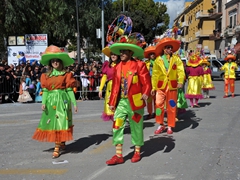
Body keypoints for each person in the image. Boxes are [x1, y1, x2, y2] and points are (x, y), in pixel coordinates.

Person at [106, 35, 152, 165]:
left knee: (136, 126)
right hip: (121, 102)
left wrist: (146, 92)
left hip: (135, 102)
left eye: (124, 52)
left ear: (131, 52)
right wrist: (112, 102)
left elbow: (146, 82)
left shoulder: (139, 65)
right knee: (117, 125)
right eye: (120, 51)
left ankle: (137, 152)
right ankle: (118, 155)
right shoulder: (117, 67)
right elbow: (115, 86)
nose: (121, 54)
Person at [32, 45, 78, 159]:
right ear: (50, 63)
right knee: (53, 123)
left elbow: (69, 90)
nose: (55, 62)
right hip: (51, 102)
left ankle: (57, 147)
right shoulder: (46, 76)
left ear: (61, 62)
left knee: (60, 122)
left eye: (57, 60)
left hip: (63, 101)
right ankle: (60, 142)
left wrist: (74, 103)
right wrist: (43, 102)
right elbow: (46, 90)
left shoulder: (67, 75)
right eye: (53, 60)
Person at [151, 37, 185, 135]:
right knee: (158, 105)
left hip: (172, 86)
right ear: (163, 49)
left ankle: (170, 125)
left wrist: (181, 81)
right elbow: (155, 75)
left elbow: (181, 71)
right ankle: (160, 124)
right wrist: (153, 87)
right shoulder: (158, 60)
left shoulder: (176, 59)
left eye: (170, 47)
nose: (169, 49)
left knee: (172, 106)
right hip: (161, 86)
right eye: (167, 47)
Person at [99, 45, 120, 121]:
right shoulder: (107, 65)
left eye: (115, 54)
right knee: (110, 108)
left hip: (119, 86)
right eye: (112, 54)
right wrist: (100, 89)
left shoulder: (121, 65)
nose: (113, 56)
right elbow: (104, 77)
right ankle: (116, 126)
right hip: (110, 87)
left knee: (118, 107)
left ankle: (119, 125)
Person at [143, 46, 156, 119]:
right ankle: (150, 113)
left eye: (153, 54)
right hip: (149, 82)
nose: (152, 55)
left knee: (156, 99)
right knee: (149, 99)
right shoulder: (146, 63)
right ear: (149, 55)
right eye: (151, 54)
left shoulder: (158, 61)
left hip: (156, 82)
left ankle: (157, 113)